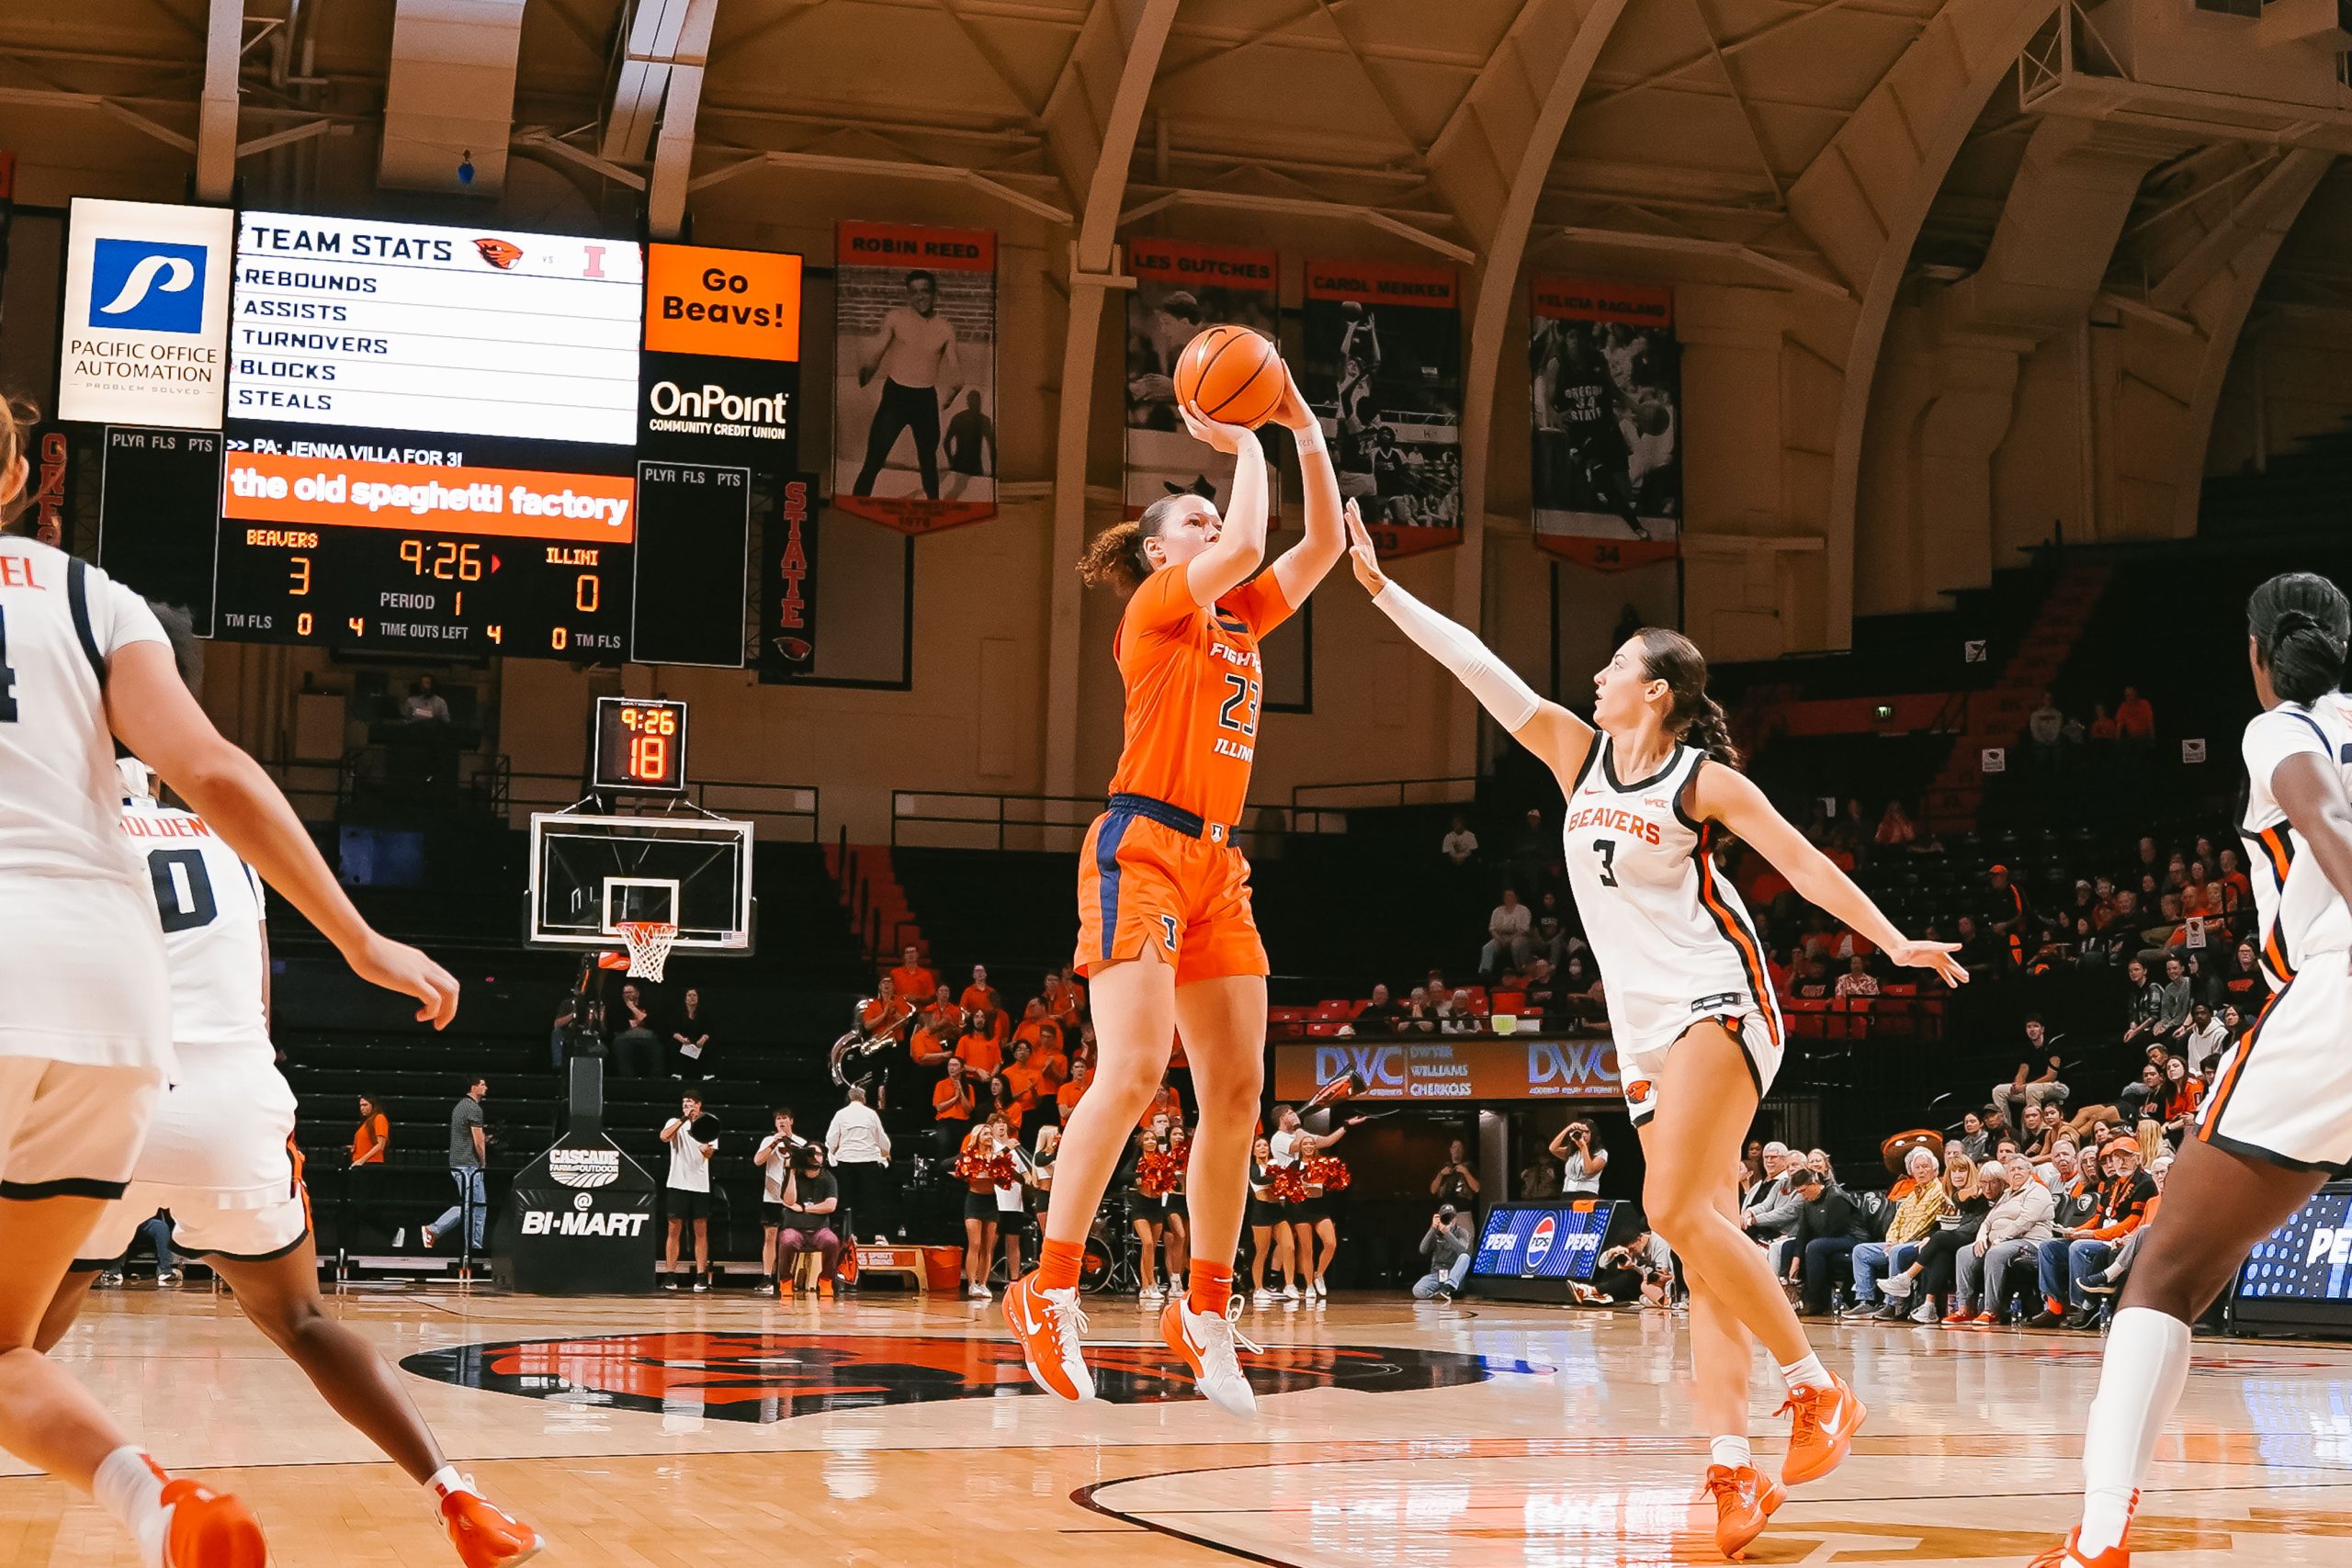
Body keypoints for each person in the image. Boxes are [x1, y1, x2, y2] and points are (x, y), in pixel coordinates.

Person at [1341, 514, 1963, 1560]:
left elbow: (1805, 865)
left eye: (1614, 667)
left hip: (1720, 1002)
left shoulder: (1700, 783)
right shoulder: (1572, 756)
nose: (1594, 676)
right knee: (1704, 1248)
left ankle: (1817, 1390)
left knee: (1672, 1206)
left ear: (1657, 691)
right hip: (1638, 1035)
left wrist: (1894, 940)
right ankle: (1729, 1471)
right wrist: (1377, 590)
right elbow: (1476, 666)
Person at [0, 436, 458, 1567]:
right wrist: (358, 938)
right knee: (14, 1343)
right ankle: (163, 1497)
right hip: (116, 1009)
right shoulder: (89, 596)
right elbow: (217, 773)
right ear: (18, 479)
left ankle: (136, 1485)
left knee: (27, 1341)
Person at [51, 767, 514, 1568]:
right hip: (231, 1105)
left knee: (11, 1347)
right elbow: (259, 1003)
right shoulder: (229, 838)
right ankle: (457, 1496)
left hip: (106, 1099)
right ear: (158, 775)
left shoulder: (51, 824)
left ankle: (153, 1498)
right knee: (304, 1321)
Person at [1004, 360, 1346, 1419]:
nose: (1215, 527)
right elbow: (1247, 540)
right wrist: (1241, 441)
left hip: (1218, 864)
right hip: (1140, 844)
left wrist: (1300, 424)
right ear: (1161, 551)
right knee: (1138, 1066)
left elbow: (1321, 544)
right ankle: (1047, 1289)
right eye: (1193, 519)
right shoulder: (1157, 610)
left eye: (1211, 516)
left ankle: (1201, 1311)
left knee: (1237, 1096)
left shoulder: (1242, 620)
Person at [2034, 576, 2352, 1568]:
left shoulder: (2281, 728)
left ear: (2257, 656)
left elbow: (2320, 808)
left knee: (2165, 1273)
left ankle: (2098, 1540)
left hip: (2335, 998)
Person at [853, 269, 963, 500]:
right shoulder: (896, 318)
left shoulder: (944, 328)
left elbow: (956, 372)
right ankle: (856, 506)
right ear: (908, 295)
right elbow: (878, 351)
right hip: (896, 396)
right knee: (874, 458)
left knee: (928, 461)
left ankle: (934, 508)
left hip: (925, 400)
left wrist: (953, 392)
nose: (919, 297)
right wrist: (868, 370)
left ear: (934, 293)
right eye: (914, 292)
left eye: (924, 291)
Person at [825, 1086, 891, 1286]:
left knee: (847, 1200)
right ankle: (878, 1235)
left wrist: (833, 1156)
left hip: (846, 1162)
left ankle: (849, 1234)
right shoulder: (871, 1114)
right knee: (872, 1199)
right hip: (868, 1161)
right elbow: (882, 1140)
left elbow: (830, 1139)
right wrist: (885, 1154)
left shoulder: (841, 1114)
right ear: (863, 1099)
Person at [424, 1079, 490, 1255]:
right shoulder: (474, 1108)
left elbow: (467, 1136)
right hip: (468, 1165)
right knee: (474, 1206)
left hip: (460, 1162)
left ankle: (471, 1246)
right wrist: (483, 1161)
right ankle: (470, 1247)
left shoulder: (460, 1106)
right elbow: (478, 1141)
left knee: (474, 1205)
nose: (486, 1088)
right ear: (473, 1087)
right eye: (483, 1084)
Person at [659, 1094, 717, 1292]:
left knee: (700, 1230)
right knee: (673, 1229)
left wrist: (705, 1149)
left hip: (700, 1185)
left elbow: (710, 1152)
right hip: (677, 1182)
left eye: (690, 1104)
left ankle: (701, 1276)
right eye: (684, 1103)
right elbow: (664, 1137)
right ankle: (670, 1275)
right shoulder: (675, 1122)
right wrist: (684, 1119)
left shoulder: (709, 1123)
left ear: (699, 1106)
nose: (687, 1106)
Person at [752, 1106, 807, 1294]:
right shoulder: (768, 1140)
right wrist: (773, 1144)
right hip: (771, 1197)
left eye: (784, 1118)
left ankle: (789, 1277)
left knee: (791, 1239)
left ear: (791, 1121)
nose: (781, 1122)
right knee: (769, 1237)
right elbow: (758, 1161)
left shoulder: (801, 1143)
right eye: (778, 1119)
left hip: (792, 1198)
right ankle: (767, 1277)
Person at [774, 1144, 842, 1292]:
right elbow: (789, 1201)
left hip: (819, 1230)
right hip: (794, 1229)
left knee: (832, 1241)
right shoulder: (795, 1176)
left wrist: (805, 1208)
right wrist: (791, 1171)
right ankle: (785, 1281)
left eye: (818, 1154)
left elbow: (831, 1205)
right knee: (787, 1241)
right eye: (811, 1154)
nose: (814, 1157)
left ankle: (826, 1279)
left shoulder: (828, 1178)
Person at [1245, 1137, 1293, 1304]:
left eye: (1265, 1145)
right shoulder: (1252, 1168)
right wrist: (1279, 1176)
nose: (1263, 1147)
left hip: (1277, 1211)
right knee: (1262, 1251)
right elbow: (1259, 1180)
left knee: (1289, 1246)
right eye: (1258, 1146)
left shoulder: (1275, 1165)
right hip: (1261, 1211)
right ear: (1253, 1151)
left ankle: (1289, 1285)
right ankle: (1258, 1289)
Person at [1411, 1204, 1475, 1301]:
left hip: (1454, 1275)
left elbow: (1462, 1250)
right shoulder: (1436, 1232)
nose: (1450, 1220)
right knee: (1418, 1290)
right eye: (1446, 1217)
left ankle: (1448, 1288)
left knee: (1465, 1257)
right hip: (1438, 1274)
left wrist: (1447, 1233)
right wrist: (1433, 1228)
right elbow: (1423, 1250)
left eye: (1452, 1217)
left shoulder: (1462, 1232)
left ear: (1456, 1218)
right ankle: (1441, 1293)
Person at [613, 981, 661, 1078]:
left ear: (637, 993)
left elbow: (651, 1022)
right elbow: (618, 1025)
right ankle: (626, 1078)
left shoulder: (648, 1005)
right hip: (625, 1037)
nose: (627, 995)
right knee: (619, 1045)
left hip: (648, 1036)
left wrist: (632, 1007)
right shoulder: (619, 1007)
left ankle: (655, 1078)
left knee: (657, 1048)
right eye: (625, 993)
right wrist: (639, 1020)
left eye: (630, 992)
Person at [1549, 1120, 1609, 1195]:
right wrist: (1568, 1128)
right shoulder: (1572, 1151)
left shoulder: (1601, 1153)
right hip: (1568, 1192)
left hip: (1586, 1193)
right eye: (1580, 1132)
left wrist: (1583, 1147)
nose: (1583, 1135)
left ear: (1592, 1134)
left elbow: (1589, 1170)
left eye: (1586, 1132)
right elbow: (1553, 1148)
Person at [669, 987, 713, 1080]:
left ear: (698, 998)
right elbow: (673, 1030)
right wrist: (681, 1039)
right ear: (685, 998)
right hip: (684, 1039)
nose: (692, 997)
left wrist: (703, 1039)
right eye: (689, 995)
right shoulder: (677, 1012)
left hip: (699, 1039)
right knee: (674, 1043)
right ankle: (677, 1073)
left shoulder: (704, 1012)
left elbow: (709, 1029)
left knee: (709, 1043)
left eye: (694, 995)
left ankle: (708, 1074)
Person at [1430, 1139, 1480, 1205]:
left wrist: (1466, 1173)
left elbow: (1477, 1189)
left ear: (1463, 1150)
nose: (1457, 1150)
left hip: (1463, 1209)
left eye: (1459, 1148)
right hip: (1445, 1209)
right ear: (1450, 1150)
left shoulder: (1469, 1166)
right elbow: (1433, 1190)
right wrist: (1441, 1175)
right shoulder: (1443, 1166)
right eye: (1454, 1147)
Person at [351, 1094, 390, 1168]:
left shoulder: (379, 1118)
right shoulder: (367, 1122)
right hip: (362, 1162)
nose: (362, 1108)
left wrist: (361, 1160)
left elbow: (380, 1145)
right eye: (361, 1106)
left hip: (370, 1163)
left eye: (365, 1105)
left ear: (373, 1106)